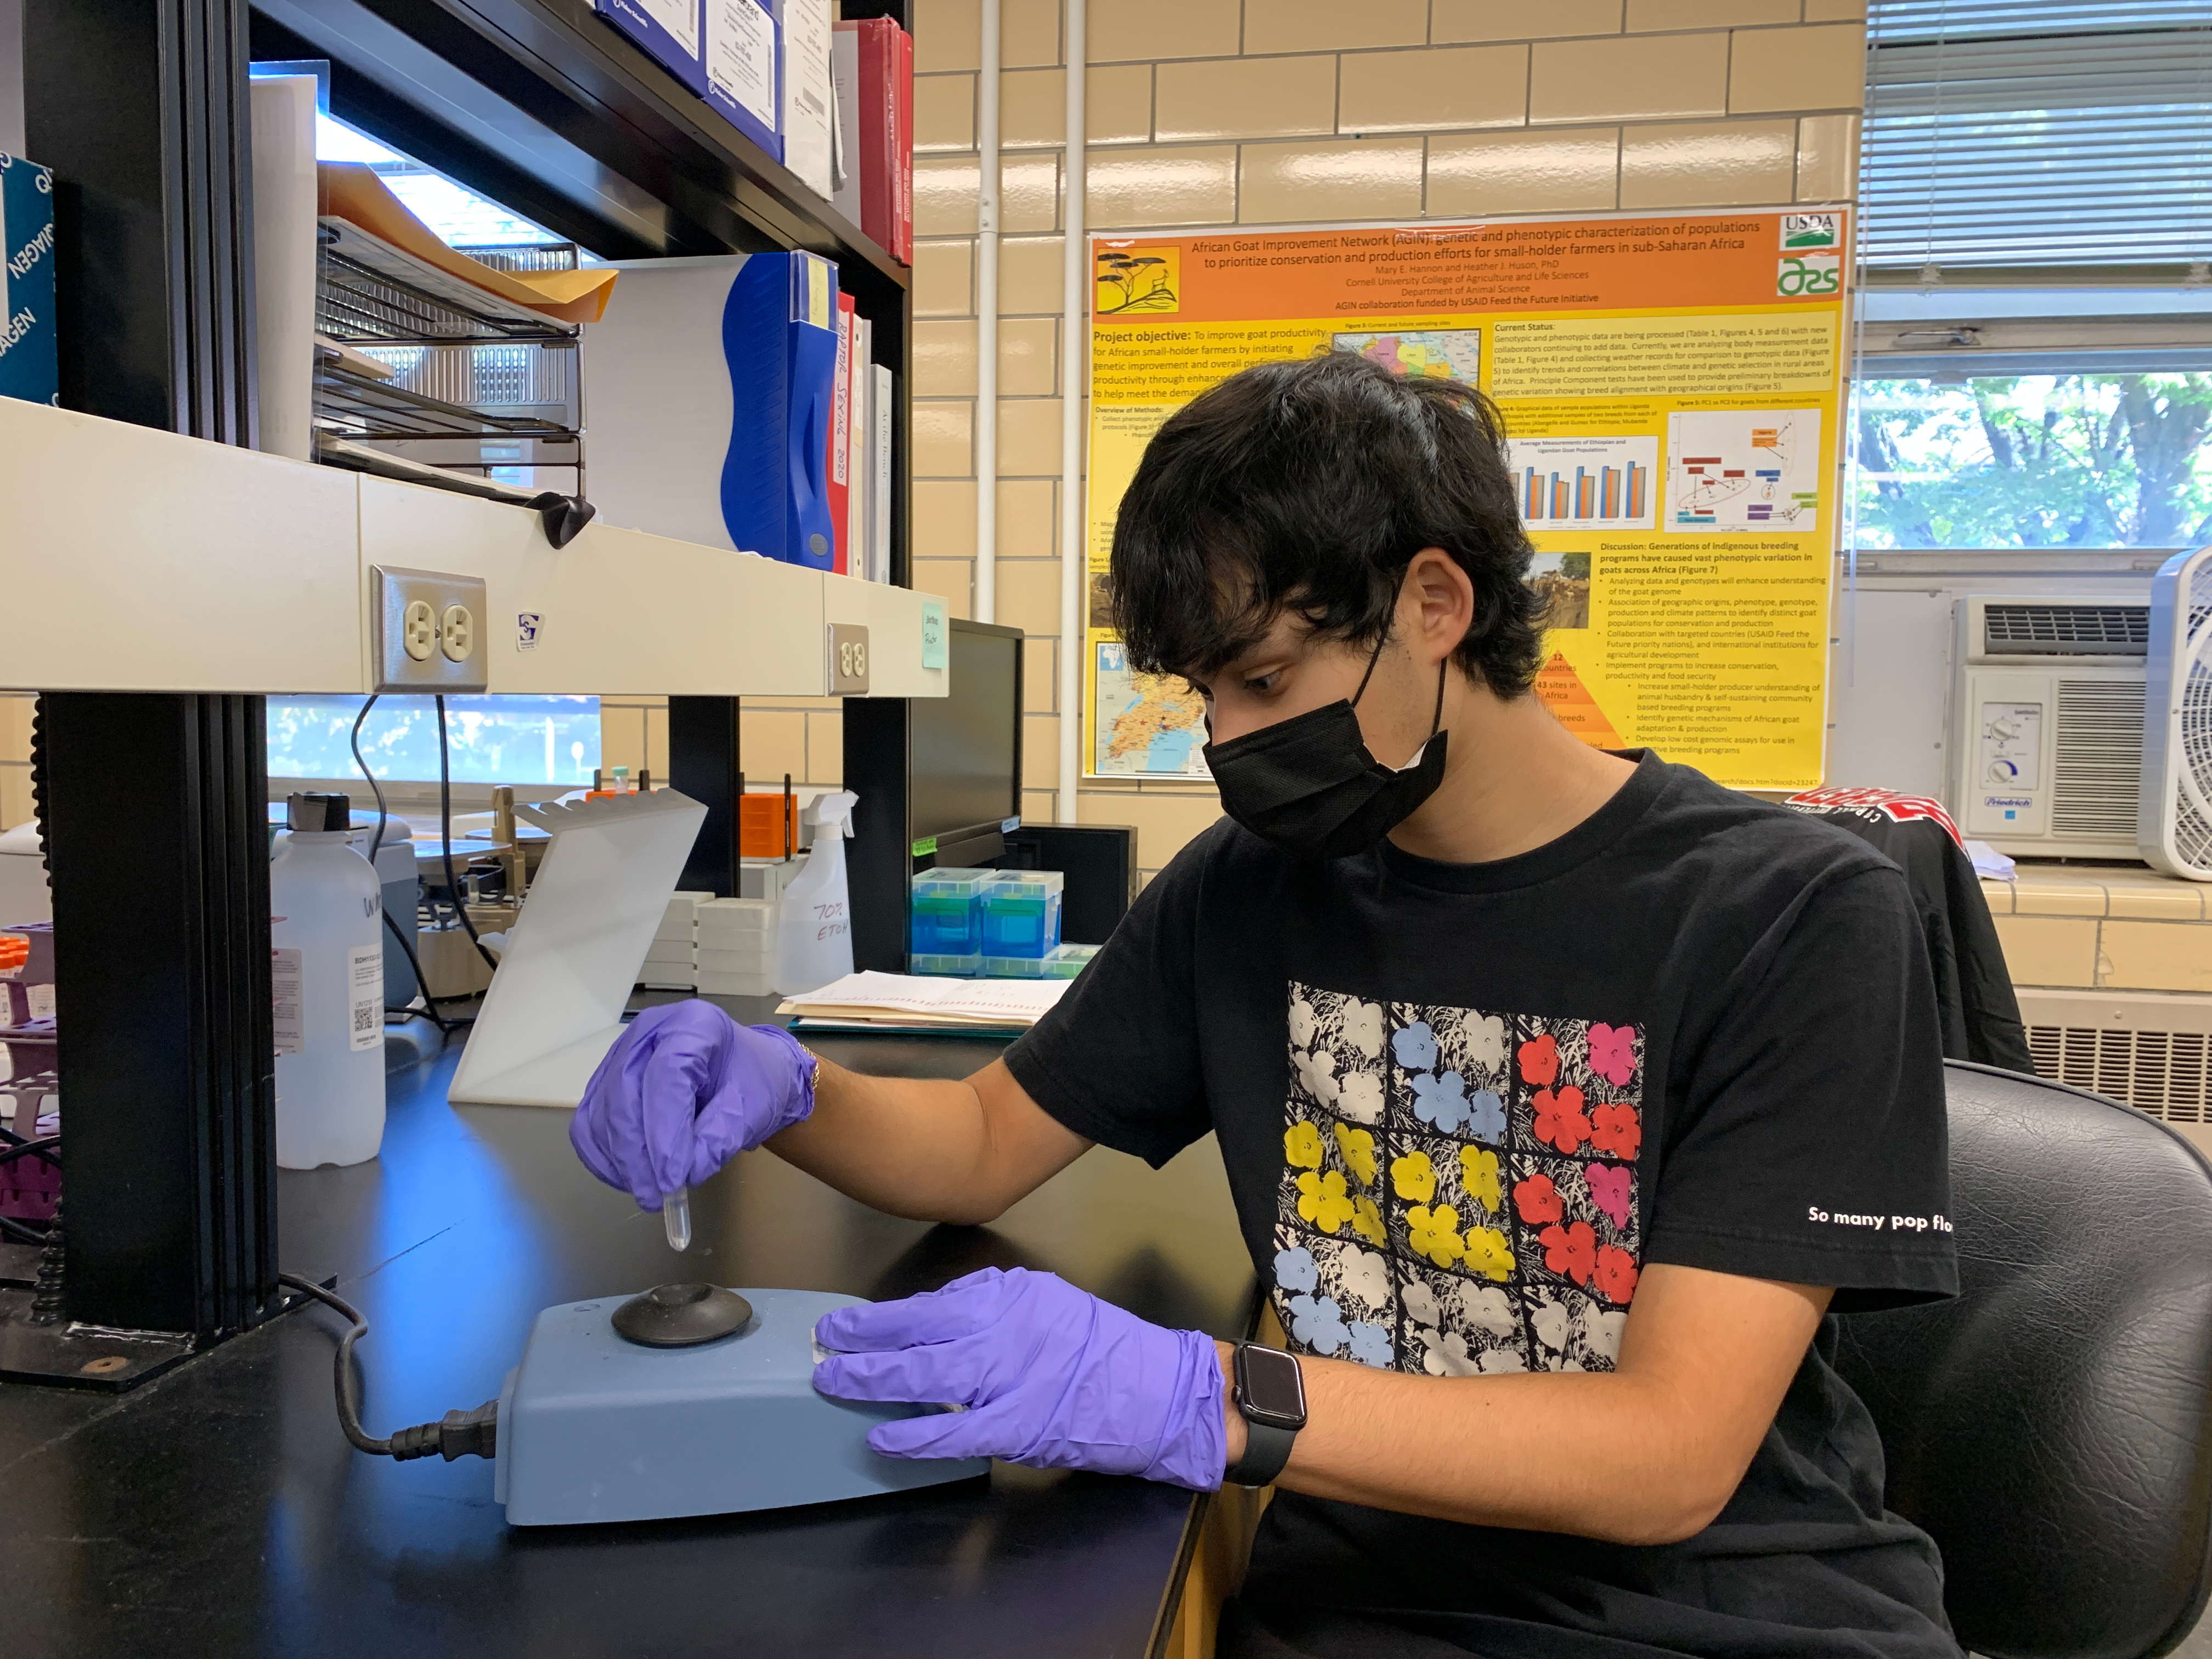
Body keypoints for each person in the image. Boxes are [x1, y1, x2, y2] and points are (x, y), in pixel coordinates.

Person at [571, 352, 1962, 1659]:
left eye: (1264, 680)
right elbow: (986, 1139)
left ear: (1434, 605)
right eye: (1205, 693)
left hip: (1733, 1614)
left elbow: (1667, 1456)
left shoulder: (1791, 914)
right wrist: (785, 1091)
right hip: (1368, 1608)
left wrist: (1201, 1396)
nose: (1225, 742)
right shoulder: (1248, 892)